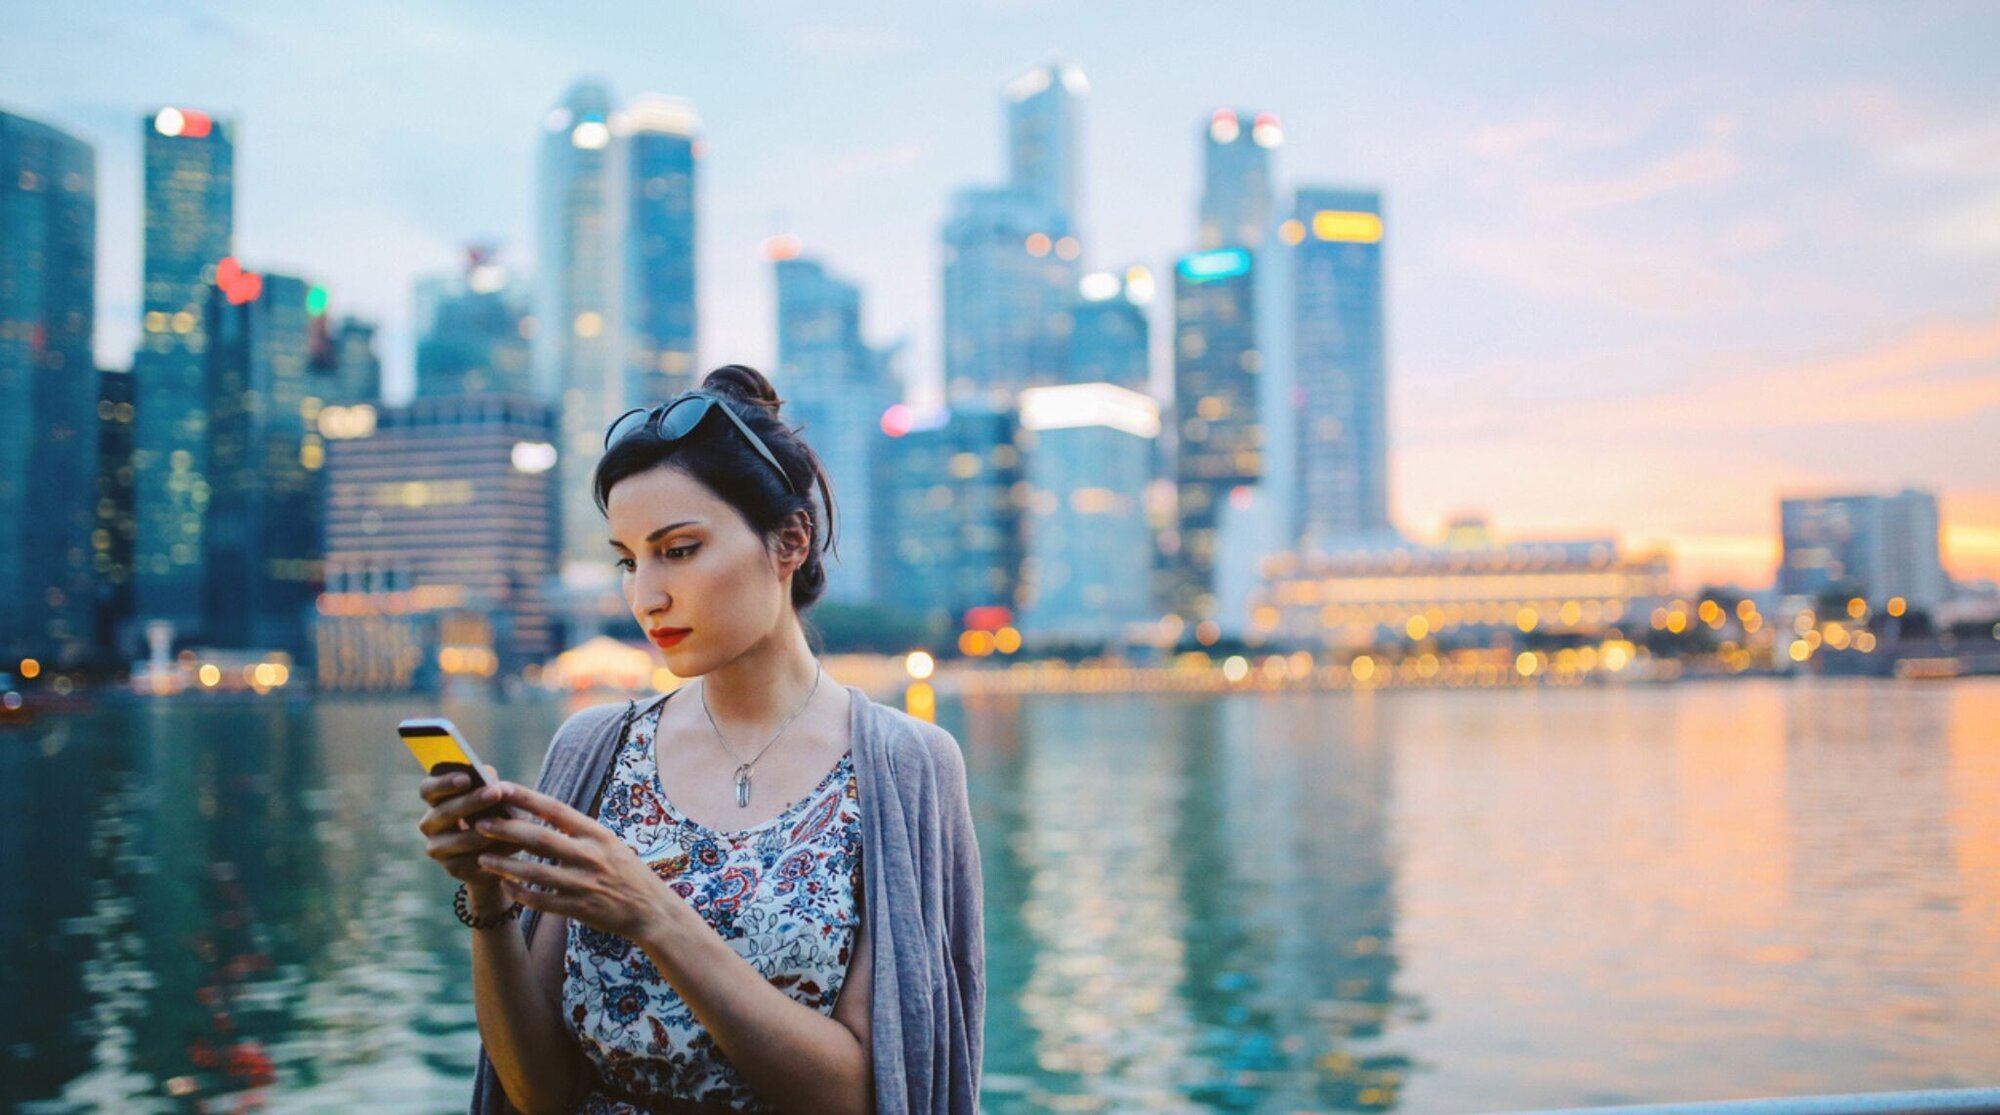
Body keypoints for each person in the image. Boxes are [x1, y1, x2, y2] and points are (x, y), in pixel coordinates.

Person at [418, 364, 985, 1114]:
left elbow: (861, 1094)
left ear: (789, 540)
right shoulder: (596, 750)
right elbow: (541, 1093)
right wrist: (486, 895)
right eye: (628, 559)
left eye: (678, 549)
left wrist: (654, 912)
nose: (646, 596)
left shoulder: (903, 767)